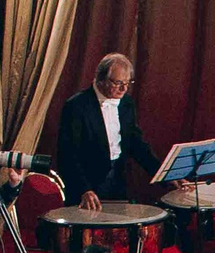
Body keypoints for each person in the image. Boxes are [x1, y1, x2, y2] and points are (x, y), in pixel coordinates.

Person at [54, 52, 160, 208]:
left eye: (127, 82)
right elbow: (67, 155)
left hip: (117, 181)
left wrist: (163, 174)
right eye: (118, 83)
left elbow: (137, 145)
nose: (124, 88)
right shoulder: (76, 106)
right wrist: (84, 189)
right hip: (87, 187)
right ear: (101, 79)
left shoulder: (126, 103)